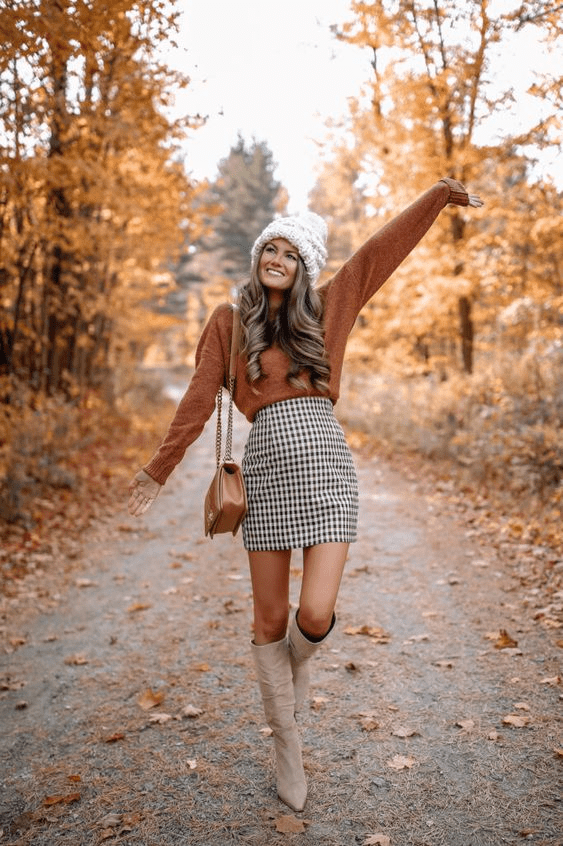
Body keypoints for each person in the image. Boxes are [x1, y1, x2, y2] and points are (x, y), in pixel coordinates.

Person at [128, 177, 483, 812]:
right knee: (270, 618)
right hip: (265, 475)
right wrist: (159, 468)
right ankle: (286, 742)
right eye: (272, 248)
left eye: (292, 254)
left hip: (327, 467)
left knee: (313, 615)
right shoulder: (229, 323)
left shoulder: (327, 311)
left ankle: (290, 673)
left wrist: (435, 196)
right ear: (259, 255)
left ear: (305, 268)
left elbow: (379, 252)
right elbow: (197, 396)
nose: (278, 260)